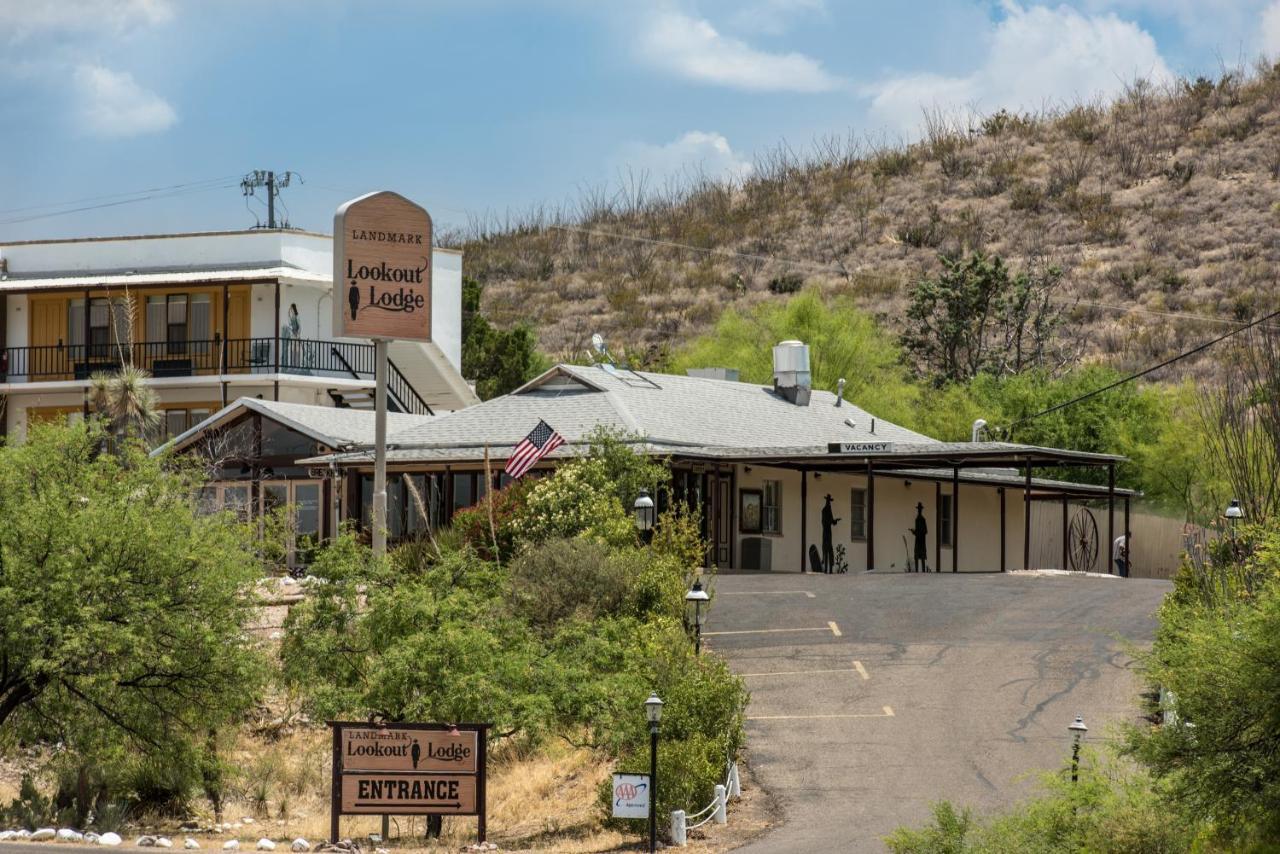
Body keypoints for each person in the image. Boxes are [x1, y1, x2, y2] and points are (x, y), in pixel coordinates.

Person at [821, 494, 840, 574]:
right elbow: (824, 521)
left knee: (829, 549)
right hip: (826, 531)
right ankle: (826, 569)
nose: (829, 503)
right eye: (828, 501)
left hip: (828, 531)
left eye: (829, 501)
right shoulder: (825, 510)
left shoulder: (828, 510)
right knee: (826, 549)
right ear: (827, 501)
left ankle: (829, 570)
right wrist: (832, 521)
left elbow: (832, 521)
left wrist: (835, 521)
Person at [909, 502, 928, 573]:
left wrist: (917, 532)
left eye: (920, 509)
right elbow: (918, 531)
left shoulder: (923, 519)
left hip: (921, 541)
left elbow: (925, 531)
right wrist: (914, 531)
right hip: (918, 540)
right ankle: (917, 571)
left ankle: (923, 571)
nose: (919, 511)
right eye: (918, 509)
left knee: (922, 557)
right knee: (916, 556)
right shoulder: (917, 519)